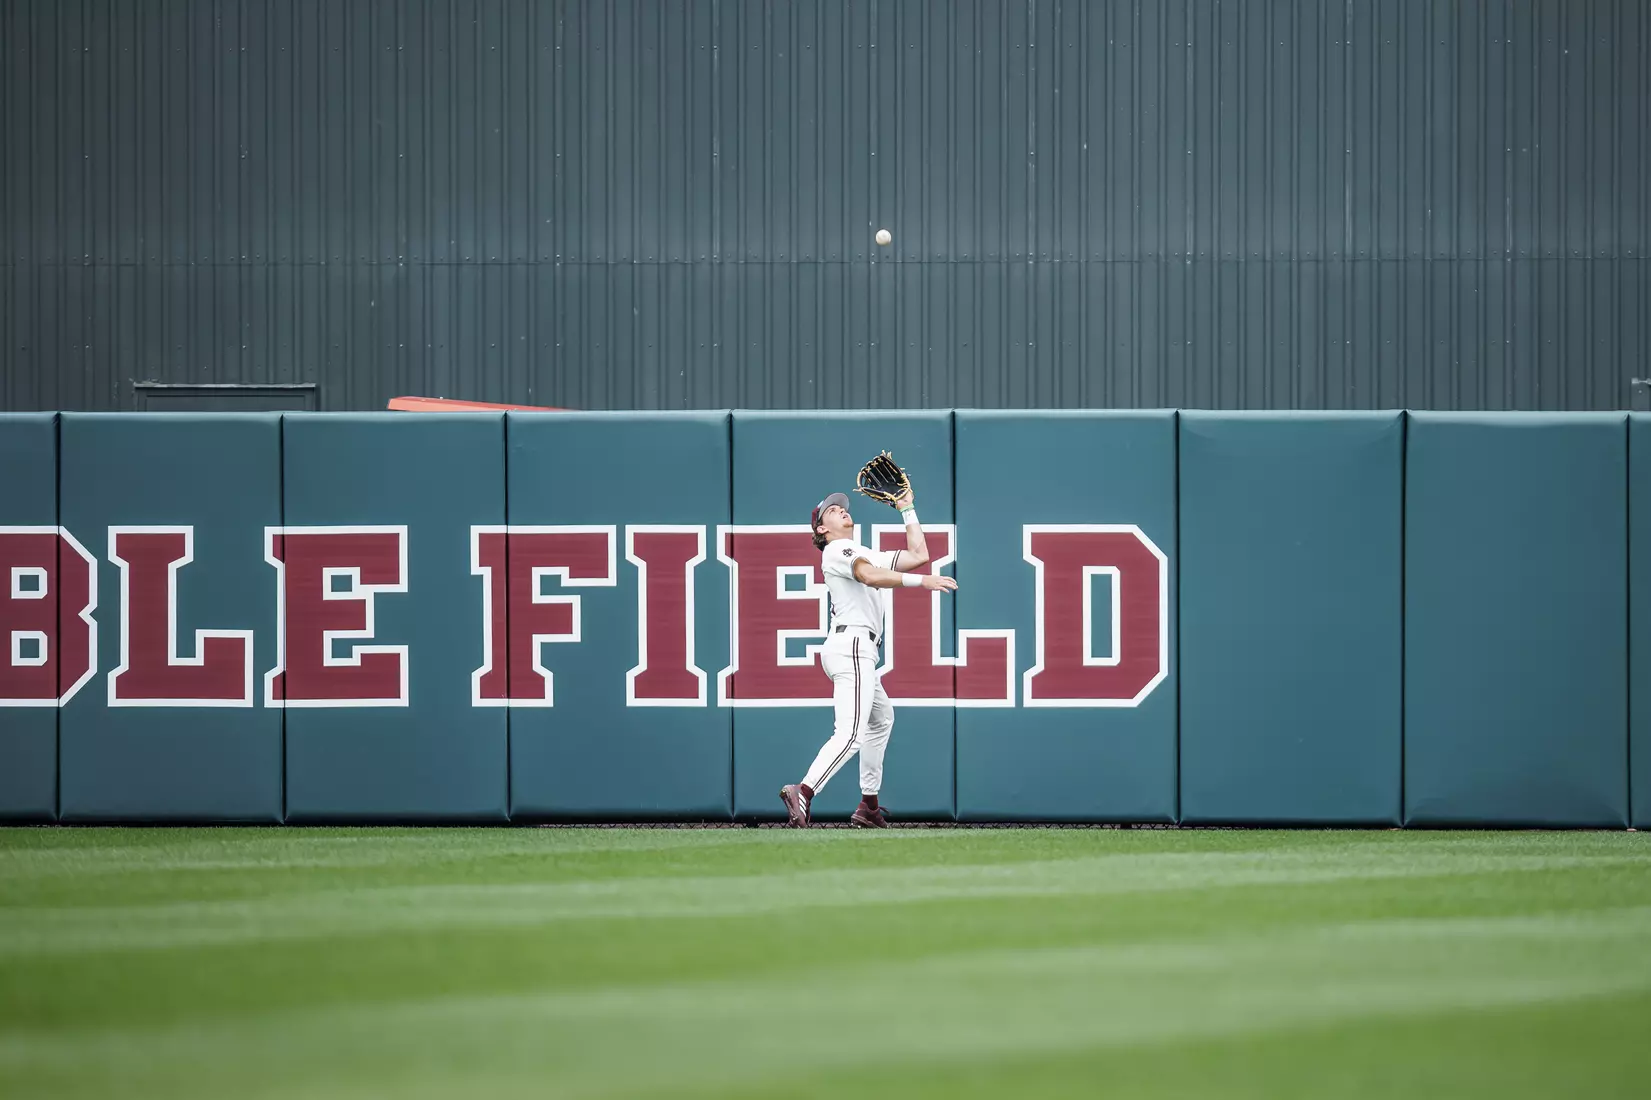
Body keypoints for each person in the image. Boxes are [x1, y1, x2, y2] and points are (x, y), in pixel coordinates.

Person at [779, 481, 958, 828]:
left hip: (856, 647)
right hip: (853, 646)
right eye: (832, 510)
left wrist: (907, 508)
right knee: (850, 733)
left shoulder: (861, 550)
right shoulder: (836, 551)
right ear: (821, 528)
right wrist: (922, 583)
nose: (842, 510)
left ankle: (869, 806)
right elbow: (869, 576)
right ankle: (803, 790)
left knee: (881, 718)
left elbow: (919, 555)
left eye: (842, 506)